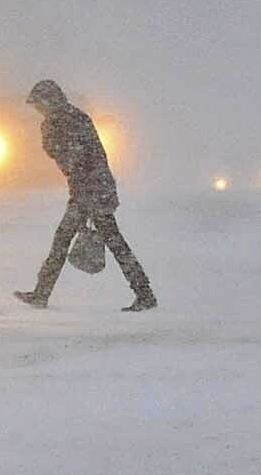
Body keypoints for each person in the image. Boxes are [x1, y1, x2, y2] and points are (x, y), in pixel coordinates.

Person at [14, 80, 156, 312]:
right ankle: (143, 292)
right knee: (105, 241)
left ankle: (144, 293)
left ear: (48, 101)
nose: (37, 110)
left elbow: (75, 158)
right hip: (94, 189)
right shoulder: (73, 117)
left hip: (89, 191)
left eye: (38, 104)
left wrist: (83, 193)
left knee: (85, 240)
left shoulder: (63, 120)